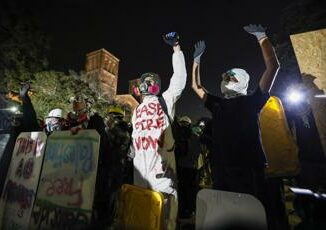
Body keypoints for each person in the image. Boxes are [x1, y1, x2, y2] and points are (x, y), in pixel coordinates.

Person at [191, 24, 280, 201]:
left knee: (252, 213)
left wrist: (262, 37)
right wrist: (196, 61)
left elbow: (273, 66)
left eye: (229, 77)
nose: (225, 79)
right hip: (222, 169)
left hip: (250, 169)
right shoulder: (218, 103)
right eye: (225, 76)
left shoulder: (253, 100)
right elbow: (196, 86)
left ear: (241, 81)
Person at [130, 32, 187, 229]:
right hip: (139, 176)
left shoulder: (165, 100)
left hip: (163, 176)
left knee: (165, 219)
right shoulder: (136, 110)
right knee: (142, 220)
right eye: (143, 82)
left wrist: (176, 48)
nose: (145, 85)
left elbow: (179, 79)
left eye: (148, 81)